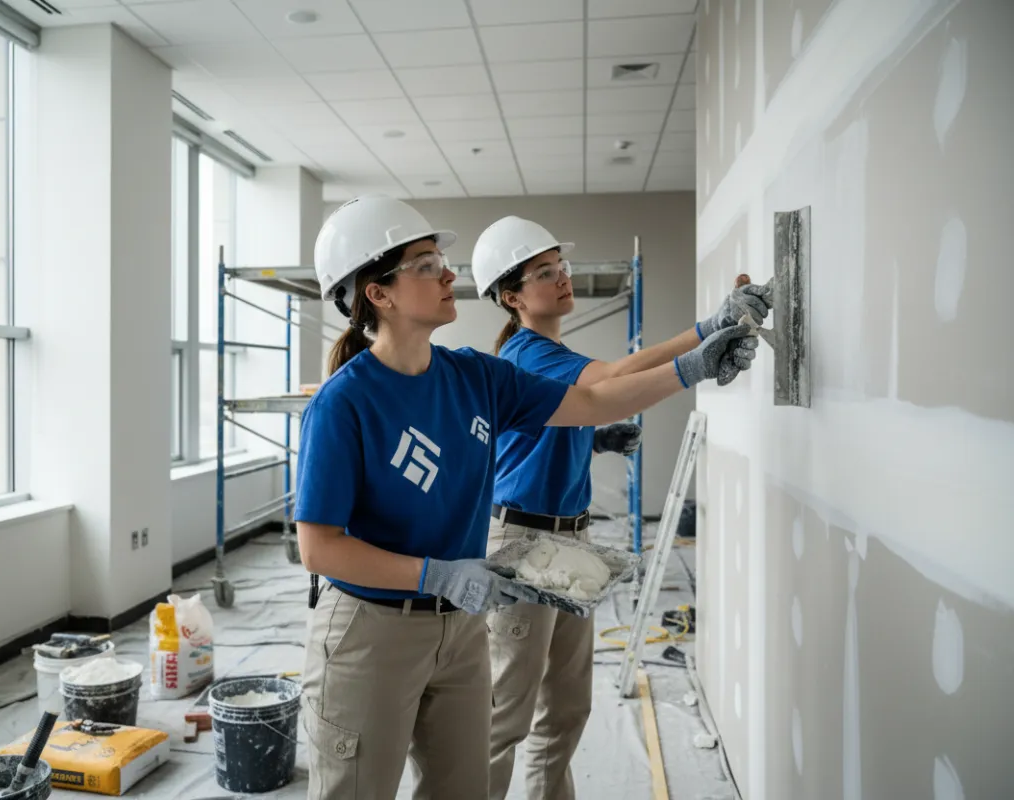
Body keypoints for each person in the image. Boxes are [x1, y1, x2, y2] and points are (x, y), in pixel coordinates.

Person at [294, 195, 758, 800]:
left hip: (459, 628)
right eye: (428, 263)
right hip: (371, 630)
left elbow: (593, 403)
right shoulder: (343, 404)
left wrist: (695, 365)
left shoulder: (474, 376)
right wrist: (433, 574)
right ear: (377, 294)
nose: (449, 275)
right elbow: (319, 550)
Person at [471, 215, 769, 800]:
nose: (562, 279)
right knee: (505, 719)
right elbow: (607, 380)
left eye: (562, 268)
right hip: (523, 544)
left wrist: (593, 438)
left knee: (565, 710)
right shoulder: (529, 354)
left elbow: (569, 414)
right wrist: (707, 332)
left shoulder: (549, 351)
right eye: (544, 272)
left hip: (567, 543)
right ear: (512, 297)